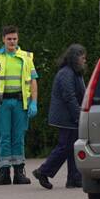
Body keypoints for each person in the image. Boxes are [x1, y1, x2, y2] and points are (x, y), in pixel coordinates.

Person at [32, 44, 86, 189]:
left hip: (68, 116)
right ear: (75, 58)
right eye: (82, 57)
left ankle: (74, 178)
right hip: (66, 117)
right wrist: (78, 116)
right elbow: (69, 97)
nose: (84, 60)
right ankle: (43, 171)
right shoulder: (66, 73)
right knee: (65, 147)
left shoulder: (73, 72)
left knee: (72, 147)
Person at [0, 25, 38, 185]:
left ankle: (19, 172)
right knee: (4, 137)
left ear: (18, 39)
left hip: (20, 102)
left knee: (18, 137)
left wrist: (34, 102)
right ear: (3, 39)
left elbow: (33, 81)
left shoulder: (26, 57)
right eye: (9, 39)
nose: (12, 42)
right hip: (2, 102)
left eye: (14, 39)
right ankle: (4, 173)